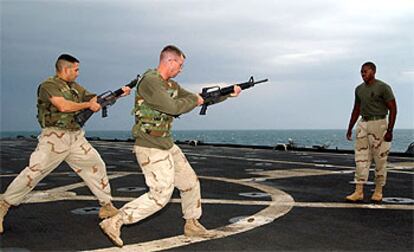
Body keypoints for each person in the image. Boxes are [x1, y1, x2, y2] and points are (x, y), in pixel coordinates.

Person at [99, 45, 241, 247]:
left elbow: (198, 99)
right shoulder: (150, 82)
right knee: (160, 195)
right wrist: (194, 99)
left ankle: (192, 223)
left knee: (190, 182)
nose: (181, 69)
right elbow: (173, 107)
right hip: (150, 146)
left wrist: (227, 94)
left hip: (165, 144)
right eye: (180, 65)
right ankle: (115, 221)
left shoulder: (170, 85)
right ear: (170, 61)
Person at [0, 54, 131, 234]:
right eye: (76, 70)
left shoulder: (74, 87)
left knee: (95, 165)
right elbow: (63, 106)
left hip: (75, 137)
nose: (78, 73)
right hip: (54, 138)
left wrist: (118, 94)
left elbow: (94, 100)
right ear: (65, 69)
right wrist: (87, 105)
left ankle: (106, 205)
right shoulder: (49, 86)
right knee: (34, 172)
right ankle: (3, 205)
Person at [345, 61, 397, 203]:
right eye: (361, 72)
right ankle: (359, 191)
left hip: (379, 123)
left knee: (380, 159)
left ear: (373, 71)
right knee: (360, 158)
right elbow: (356, 109)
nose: (363, 74)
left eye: (365, 71)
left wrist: (390, 130)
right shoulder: (359, 89)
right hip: (363, 123)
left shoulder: (383, 87)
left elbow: (393, 108)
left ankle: (378, 190)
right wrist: (350, 127)